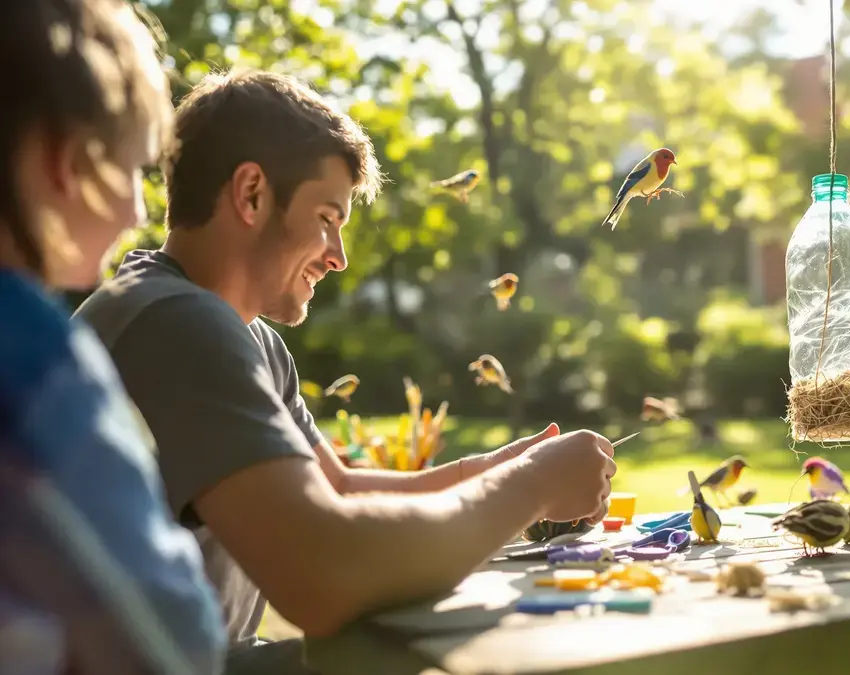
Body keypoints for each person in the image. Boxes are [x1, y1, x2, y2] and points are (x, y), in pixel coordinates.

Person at [73, 68, 618, 674]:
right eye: (328, 218)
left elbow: (337, 490)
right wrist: (532, 487)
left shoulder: (238, 331)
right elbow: (326, 577)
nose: (339, 257)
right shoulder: (174, 322)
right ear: (251, 194)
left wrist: (493, 471)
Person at [0, 0, 226, 673]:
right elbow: (171, 636)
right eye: (131, 169)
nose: (136, 208)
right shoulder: (33, 357)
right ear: (64, 160)